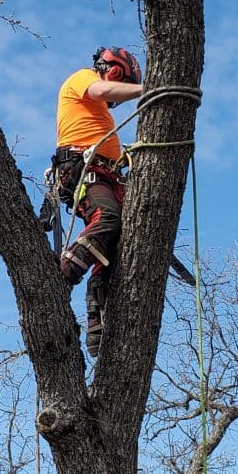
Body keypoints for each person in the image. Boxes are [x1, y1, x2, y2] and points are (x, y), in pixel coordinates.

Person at [52, 47, 142, 357]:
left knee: (114, 249)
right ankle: (61, 278)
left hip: (104, 174)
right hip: (84, 170)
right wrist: (148, 88)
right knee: (107, 219)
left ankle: (98, 323)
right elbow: (102, 89)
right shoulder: (84, 78)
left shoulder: (99, 113)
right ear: (115, 70)